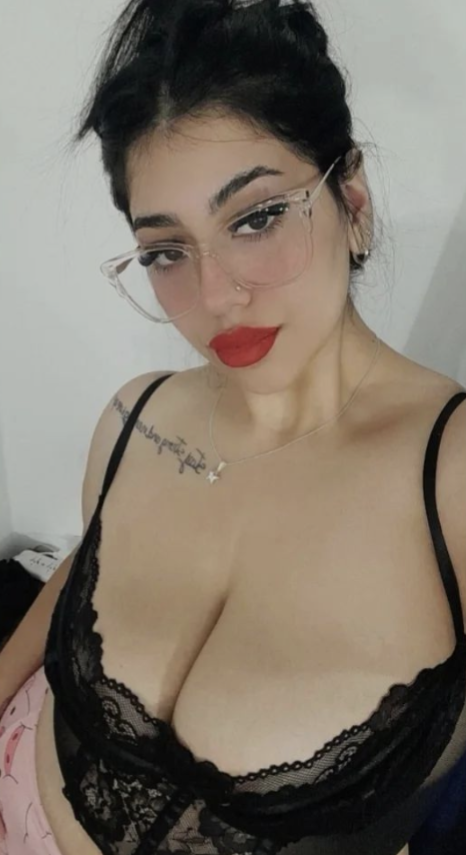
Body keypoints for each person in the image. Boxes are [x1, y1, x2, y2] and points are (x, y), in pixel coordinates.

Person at [0, 1, 465, 853]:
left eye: (255, 217)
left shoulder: (454, 478)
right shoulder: (136, 418)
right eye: (165, 250)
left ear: (352, 197)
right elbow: (87, 568)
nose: (216, 296)